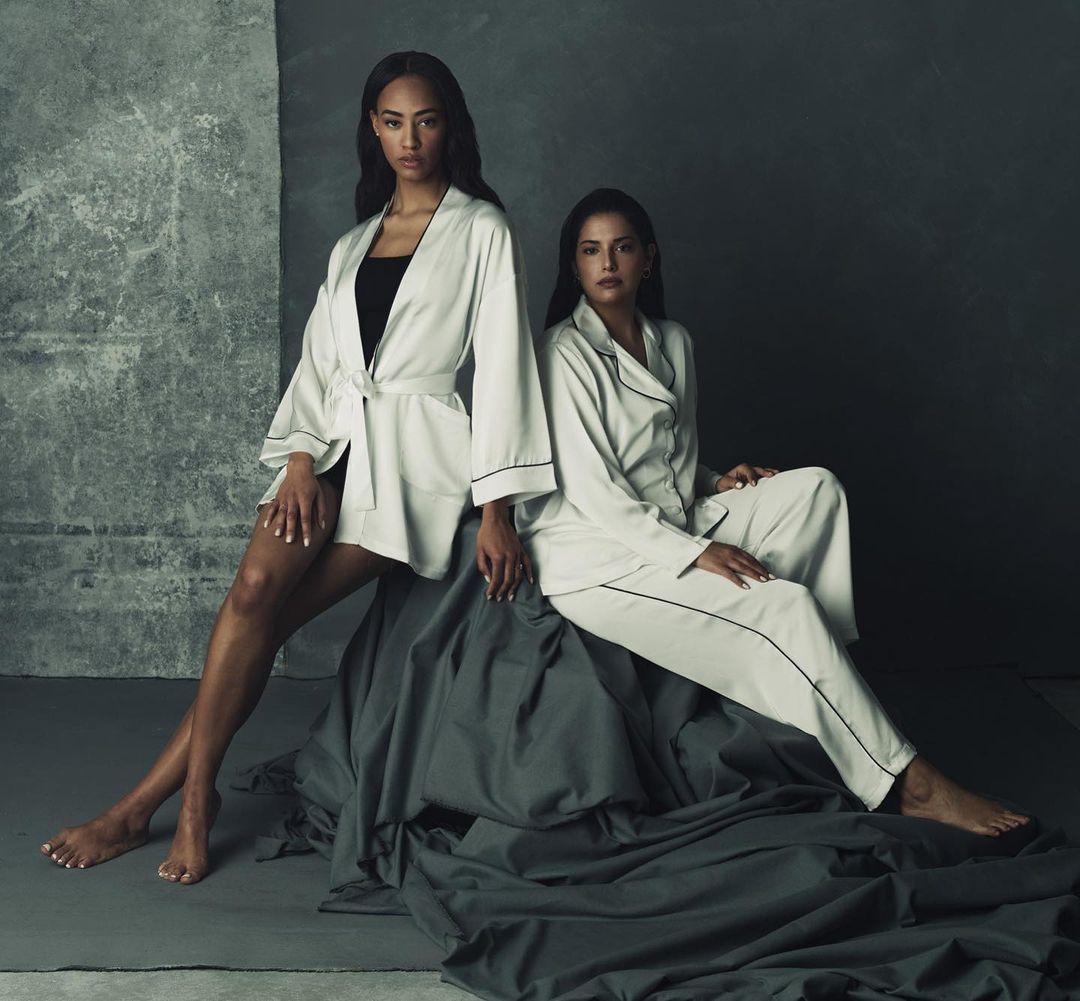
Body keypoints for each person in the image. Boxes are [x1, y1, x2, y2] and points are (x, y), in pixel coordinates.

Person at [38, 51, 555, 884]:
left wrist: (497, 508)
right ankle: (182, 802)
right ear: (373, 130)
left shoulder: (482, 230)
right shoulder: (352, 245)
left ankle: (152, 808)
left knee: (267, 620)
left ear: (449, 127)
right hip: (332, 448)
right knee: (250, 595)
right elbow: (319, 368)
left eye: (426, 121)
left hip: (414, 467)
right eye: (393, 122)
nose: (410, 139)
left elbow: (502, 369)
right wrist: (301, 462)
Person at [513, 187, 1031, 835]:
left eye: (622, 247)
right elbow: (596, 491)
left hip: (669, 521)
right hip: (595, 556)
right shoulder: (561, 355)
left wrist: (716, 480)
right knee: (786, 605)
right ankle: (909, 782)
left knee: (816, 490)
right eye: (591, 251)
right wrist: (696, 551)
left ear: (650, 257)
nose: (608, 263)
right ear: (574, 266)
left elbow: (667, 459)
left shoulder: (673, 341)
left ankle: (822, 686)